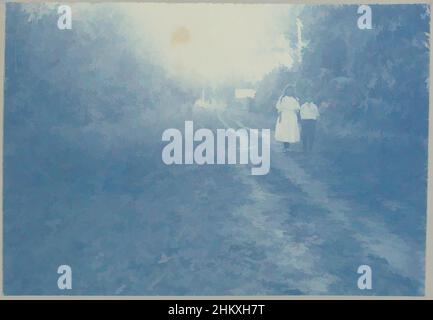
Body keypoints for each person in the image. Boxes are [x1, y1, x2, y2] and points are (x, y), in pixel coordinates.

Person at [274, 86, 301, 152]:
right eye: (288, 90)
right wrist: (280, 116)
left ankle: (288, 146)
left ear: (293, 91)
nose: (289, 92)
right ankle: (285, 147)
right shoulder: (282, 98)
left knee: (290, 130)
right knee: (285, 130)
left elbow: (297, 108)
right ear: (286, 91)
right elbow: (279, 108)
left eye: (291, 90)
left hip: (292, 115)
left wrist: (296, 112)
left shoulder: (295, 99)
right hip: (284, 115)